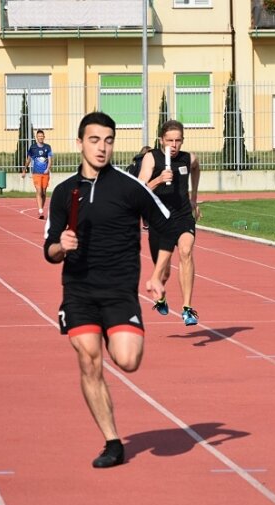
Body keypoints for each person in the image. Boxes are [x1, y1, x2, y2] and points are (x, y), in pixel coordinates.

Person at [43, 112, 171, 468]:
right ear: (80, 142)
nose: (102, 147)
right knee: (88, 358)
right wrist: (61, 246)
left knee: (128, 360)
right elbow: (49, 251)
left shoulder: (130, 188)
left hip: (120, 291)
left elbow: (166, 228)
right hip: (79, 290)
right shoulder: (64, 191)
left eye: (108, 140)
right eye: (95, 140)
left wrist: (159, 274)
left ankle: (113, 335)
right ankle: (113, 442)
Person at [139, 119, 202, 326]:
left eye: (178, 141)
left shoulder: (188, 158)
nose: (173, 145)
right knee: (164, 271)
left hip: (183, 215)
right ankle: (161, 297)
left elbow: (196, 167)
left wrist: (193, 197)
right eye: (169, 141)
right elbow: (138, 191)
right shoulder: (151, 158)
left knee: (186, 251)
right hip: (160, 219)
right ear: (161, 140)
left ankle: (187, 308)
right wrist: (158, 180)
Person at [21, 129, 53, 219]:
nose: (40, 138)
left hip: (45, 173)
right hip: (36, 173)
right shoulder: (33, 148)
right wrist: (24, 170)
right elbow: (28, 160)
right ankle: (40, 210)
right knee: (39, 191)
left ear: (44, 137)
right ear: (36, 137)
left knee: (43, 192)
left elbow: (50, 160)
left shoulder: (48, 147)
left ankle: (41, 208)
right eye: (39, 136)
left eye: (42, 136)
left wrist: (48, 168)